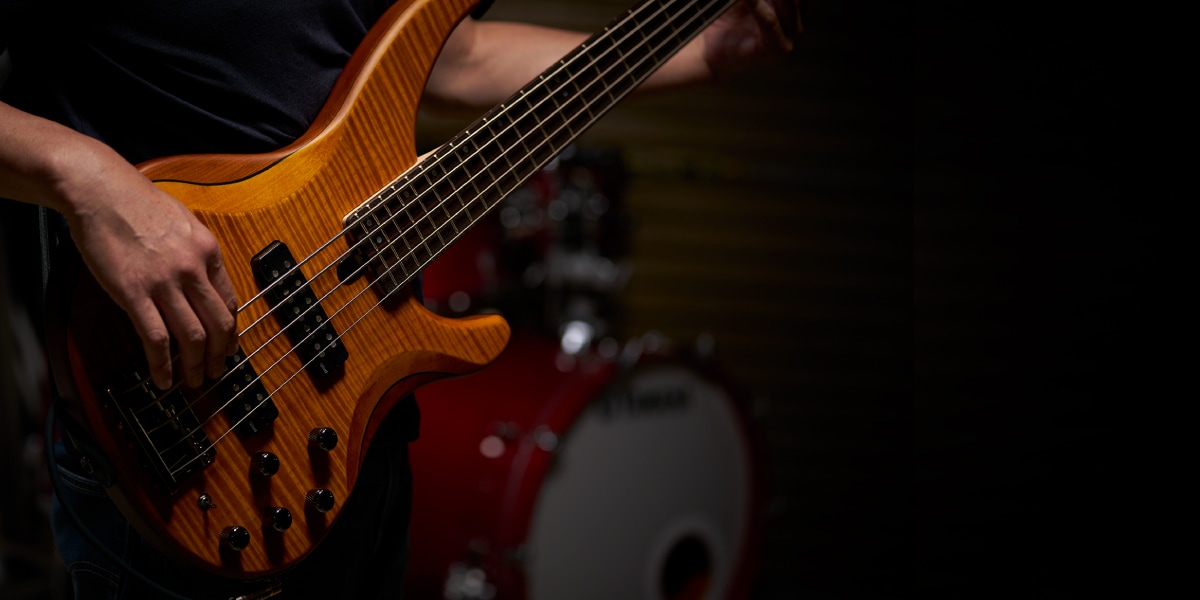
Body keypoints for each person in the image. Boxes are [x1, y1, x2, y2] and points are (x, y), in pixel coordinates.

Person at [0, 0, 801, 598]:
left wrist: (701, 52)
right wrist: (84, 178)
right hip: (179, 423)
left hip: (354, 420)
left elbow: (458, 54)